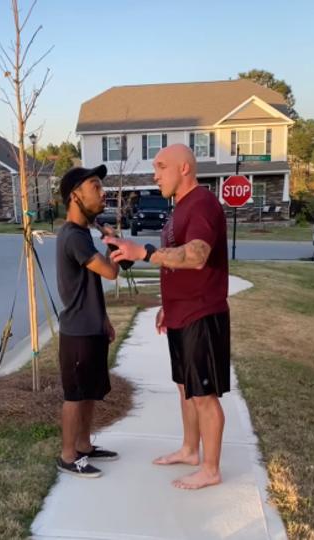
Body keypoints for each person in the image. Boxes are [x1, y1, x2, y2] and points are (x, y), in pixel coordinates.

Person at [103, 144, 230, 490]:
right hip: (180, 311)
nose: (154, 174)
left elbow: (197, 255)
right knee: (185, 388)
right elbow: (176, 262)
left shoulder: (202, 203)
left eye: (161, 166)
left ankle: (211, 468)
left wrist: (143, 252)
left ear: (184, 168)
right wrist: (166, 304)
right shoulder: (179, 210)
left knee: (204, 394)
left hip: (202, 313)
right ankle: (191, 450)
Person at [54, 164, 121, 478]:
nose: (102, 191)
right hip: (77, 332)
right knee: (75, 395)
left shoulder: (82, 233)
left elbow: (89, 284)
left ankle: (84, 444)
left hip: (91, 326)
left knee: (91, 391)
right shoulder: (73, 236)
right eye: (95, 186)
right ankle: (68, 456)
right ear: (75, 196)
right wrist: (114, 242)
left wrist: (104, 318)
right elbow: (109, 272)